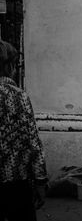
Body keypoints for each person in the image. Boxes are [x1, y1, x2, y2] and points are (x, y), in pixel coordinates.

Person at [0, 40, 48, 221]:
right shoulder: (17, 95)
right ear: (10, 66)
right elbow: (32, 142)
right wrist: (40, 180)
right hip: (15, 180)